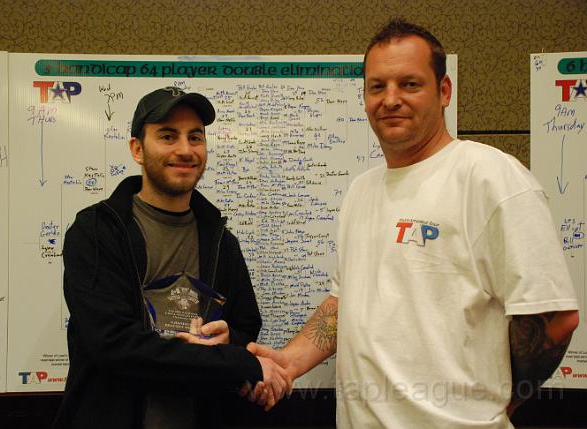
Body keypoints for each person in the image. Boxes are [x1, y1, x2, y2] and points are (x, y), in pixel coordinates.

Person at [247, 18, 579, 428]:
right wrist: (288, 362)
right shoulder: (361, 191)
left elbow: (554, 318)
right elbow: (345, 303)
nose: (390, 99)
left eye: (409, 84)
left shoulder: (489, 176)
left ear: (444, 91)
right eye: (377, 86)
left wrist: (501, 405)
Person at [54, 87, 290, 429]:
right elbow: (114, 346)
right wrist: (238, 363)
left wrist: (229, 339)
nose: (185, 150)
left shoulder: (222, 241)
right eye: (168, 136)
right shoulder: (96, 232)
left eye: (195, 137)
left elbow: (246, 326)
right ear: (137, 149)